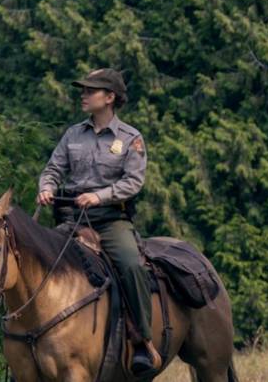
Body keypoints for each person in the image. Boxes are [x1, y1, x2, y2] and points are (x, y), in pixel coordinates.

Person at [36, 68, 161, 374]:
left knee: (131, 265)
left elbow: (133, 182)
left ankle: (142, 341)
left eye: (90, 90)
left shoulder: (131, 138)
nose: (83, 95)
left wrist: (100, 196)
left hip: (110, 220)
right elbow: (54, 168)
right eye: (83, 90)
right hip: (72, 220)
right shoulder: (73, 134)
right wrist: (46, 187)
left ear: (109, 97)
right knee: (38, 261)